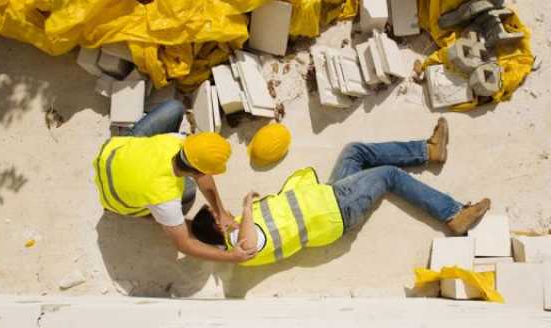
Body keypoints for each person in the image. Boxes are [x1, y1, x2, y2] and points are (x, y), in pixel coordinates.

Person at [190, 118, 491, 265]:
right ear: (220, 225)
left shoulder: (236, 235)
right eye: (219, 213)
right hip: (336, 211)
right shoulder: (241, 246)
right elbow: (251, 243)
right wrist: (243, 210)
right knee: (388, 176)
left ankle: (428, 150)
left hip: (327, 198)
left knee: (354, 152)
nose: (223, 210)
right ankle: (453, 214)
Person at [93, 100, 256, 263]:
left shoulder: (175, 141)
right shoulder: (166, 197)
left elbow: (201, 172)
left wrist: (220, 212)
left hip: (112, 153)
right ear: (198, 171)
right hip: (114, 199)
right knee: (189, 191)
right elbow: (183, 244)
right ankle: (148, 215)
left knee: (174, 108)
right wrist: (231, 256)